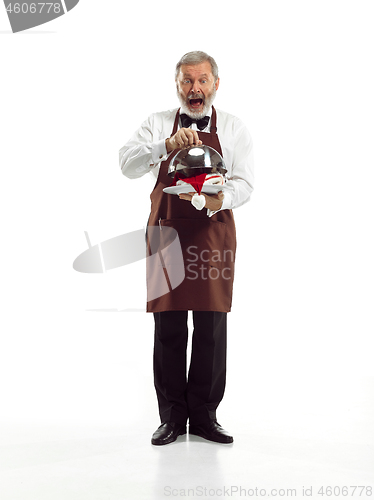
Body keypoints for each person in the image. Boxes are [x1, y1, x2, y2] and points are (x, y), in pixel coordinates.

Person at [119, 51, 254, 445]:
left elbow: (245, 182)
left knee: (211, 326)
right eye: (186, 81)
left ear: (215, 84)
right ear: (177, 85)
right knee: (169, 326)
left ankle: (206, 416)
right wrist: (164, 144)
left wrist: (219, 199)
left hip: (213, 231)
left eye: (202, 80)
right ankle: (172, 418)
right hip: (166, 230)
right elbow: (126, 164)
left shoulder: (233, 128)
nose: (194, 88)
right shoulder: (157, 123)